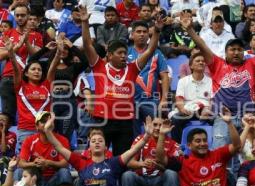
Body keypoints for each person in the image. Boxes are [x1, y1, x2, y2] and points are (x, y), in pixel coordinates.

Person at [178, 11, 255, 152]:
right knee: (221, 153)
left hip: (247, 117)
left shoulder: (251, 63)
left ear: (244, 52)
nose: (236, 52)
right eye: (232, 49)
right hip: (223, 118)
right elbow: (203, 45)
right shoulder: (217, 63)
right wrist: (190, 30)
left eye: (239, 49)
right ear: (226, 52)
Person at [80, 5, 162, 155]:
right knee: (97, 156)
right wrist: (85, 23)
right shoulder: (99, 66)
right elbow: (87, 44)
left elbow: (150, 50)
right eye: (120, 53)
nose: (124, 55)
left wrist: (156, 30)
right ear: (110, 56)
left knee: (123, 159)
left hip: (124, 121)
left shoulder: (132, 68)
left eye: (125, 53)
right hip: (102, 119)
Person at [43, 112, 159, 186]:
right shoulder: (80, 161)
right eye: (93, 141)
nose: (97, 142)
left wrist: (146, 136)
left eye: (100, 140)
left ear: (105, 147)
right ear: (89, 147)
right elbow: (59, 147)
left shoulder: (114, 163)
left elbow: (134, 150)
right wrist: (48, 131)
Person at [156, 107, 241, 186]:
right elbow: (160, 159)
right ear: (189, 145)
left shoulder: (218, 155)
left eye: (205, 140)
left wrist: (229, 123)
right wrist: (161, 135)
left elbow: (237, 145)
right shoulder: (183, 162)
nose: (202, 143)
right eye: (198, 141)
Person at [4, 37, 54, 154]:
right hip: (25, 131)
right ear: (26, 72)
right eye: (33, 69)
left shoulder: (47, 84)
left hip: (45, 130)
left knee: (45, 166)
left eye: (39, 70)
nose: (37, 71)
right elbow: (16, 70)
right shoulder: (20, 85)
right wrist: (11, 53)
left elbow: (53, 67)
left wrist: (57, 53)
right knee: (24, 167)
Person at [0, 4, 43, 124]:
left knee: (30, 116)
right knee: (7, 116)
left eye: (23, 15)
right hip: (9, 77)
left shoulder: (37, 35)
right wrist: (16, 47)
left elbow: (37, 54)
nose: (20, 18)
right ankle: (7, 140)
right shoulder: (7, 34)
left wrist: (27, 42)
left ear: (28, 16)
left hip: (28, 79)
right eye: (17, 15)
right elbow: (0, 55)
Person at [128, 20, 169, 137]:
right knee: (132, 136)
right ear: (132, 35)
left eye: (144, 32)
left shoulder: (157, 53)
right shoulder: (125, 53)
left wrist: (164, 99)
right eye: (138, 31)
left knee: (158, 133)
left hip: (152, 102)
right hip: (131, 102)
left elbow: (164, 77)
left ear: (148, 35)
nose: (142, 34)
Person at [122, 116, 180, 186]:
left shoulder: (172, 143)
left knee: (171, 174)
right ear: (148, 125)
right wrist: (142, 164)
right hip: (141, 179)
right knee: (127, 175)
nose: (158, 128)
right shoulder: (140, 139)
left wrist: (160, 167)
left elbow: (174, 167)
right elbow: (129, 163)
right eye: (155, 124)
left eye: (161, 125)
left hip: (160, 179)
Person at [15, 111, 72, 186]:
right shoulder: (29, 140)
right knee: (19, 172)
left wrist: (48, 163)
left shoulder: (63, 140)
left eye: (49, 121)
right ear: (37, 126)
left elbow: (65, 164)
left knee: (64, 172)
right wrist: (34, 163)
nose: (47, 123)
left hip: (54, 179)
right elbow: (21, 163)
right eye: (43, 121)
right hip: (35, 179)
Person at [170, 52, 212, 143]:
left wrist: (208, 109)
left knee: (219, 120)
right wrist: (182, 109)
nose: (201, 62)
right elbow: (179, 100)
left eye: (203, 61)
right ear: (191, 66)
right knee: (175, 120)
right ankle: (177, 148)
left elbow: (212, 101)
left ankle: (215, 147)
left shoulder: (211, 81)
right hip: (188, 111)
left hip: (205, 111)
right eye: (198, 61)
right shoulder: (183, 81)